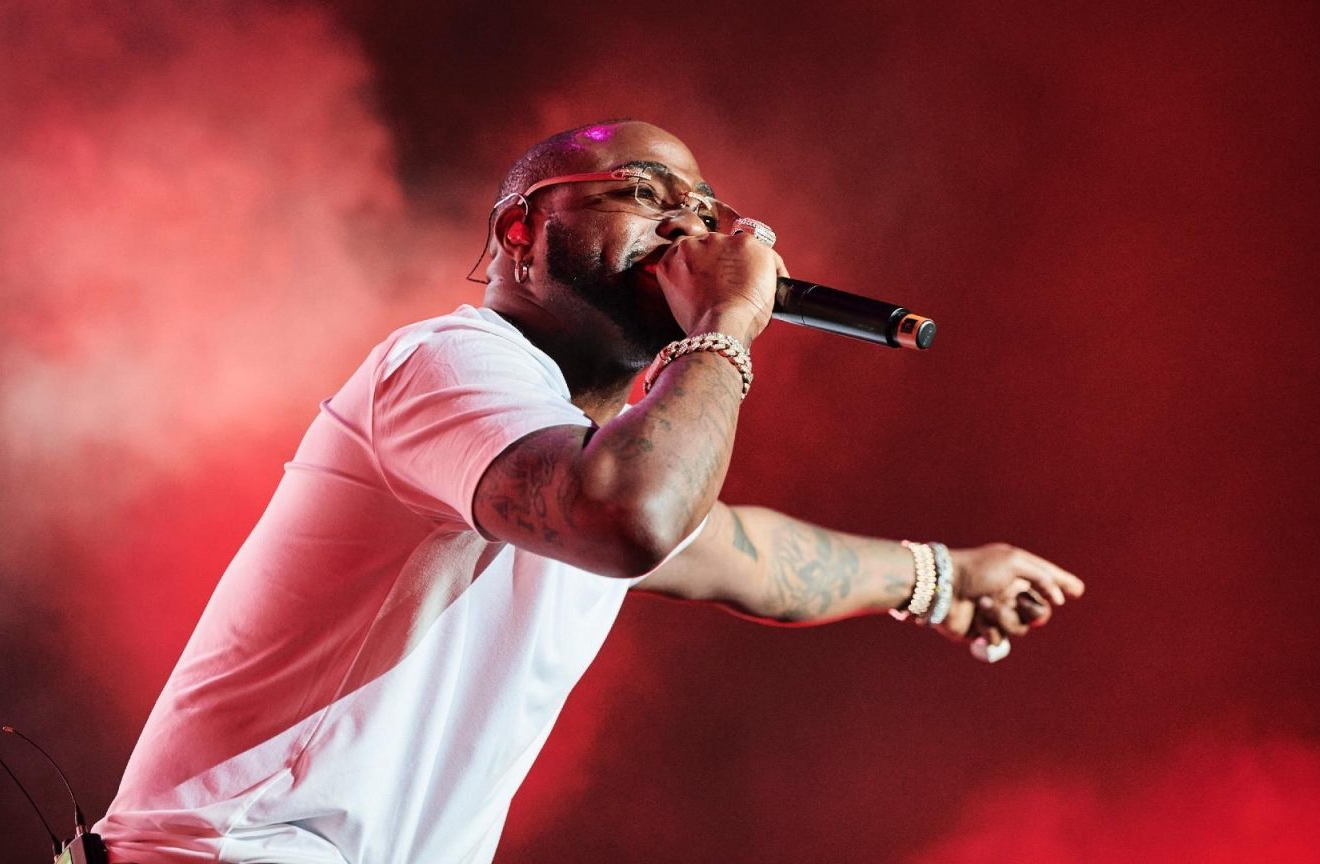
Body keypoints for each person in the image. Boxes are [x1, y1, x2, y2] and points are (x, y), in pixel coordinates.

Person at [94, 119, 1085, 864]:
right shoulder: (448, 363)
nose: (688, 223)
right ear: (521, 229)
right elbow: (631, 516)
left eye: (706, 212)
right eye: (644, 193)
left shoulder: (583, 455)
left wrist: (942, 578)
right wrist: (726, 325)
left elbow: (752, 556)